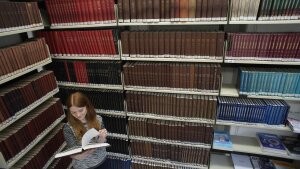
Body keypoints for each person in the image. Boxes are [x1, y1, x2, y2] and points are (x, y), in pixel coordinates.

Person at [63, 92, 109, 169]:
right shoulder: (68, 128)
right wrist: (78, 155)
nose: (78, 115)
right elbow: (75, 153)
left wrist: (102, 138)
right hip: (83, 166)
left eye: (80, 110)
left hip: (101, 160)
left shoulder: (98, 119)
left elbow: (102, 143)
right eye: (73, 112)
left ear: (87, 107)